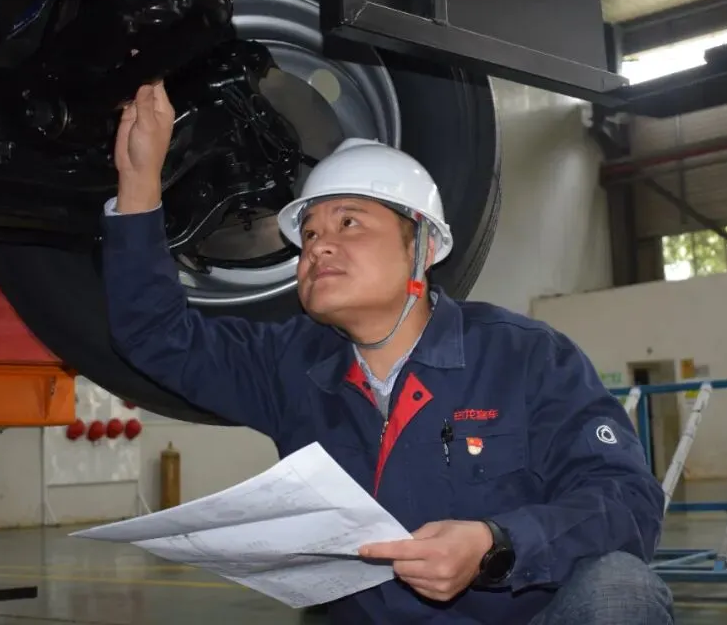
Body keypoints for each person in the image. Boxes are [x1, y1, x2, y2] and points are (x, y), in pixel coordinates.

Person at [101, 81, 674, 625]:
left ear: (421, 247)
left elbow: (627, 501)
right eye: (309, 235)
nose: (318, 246)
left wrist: (496, 543)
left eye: (349, 223)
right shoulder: (290, 365)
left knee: (620, 586)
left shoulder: (525, 358)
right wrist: (140, 182)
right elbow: (155, 335)